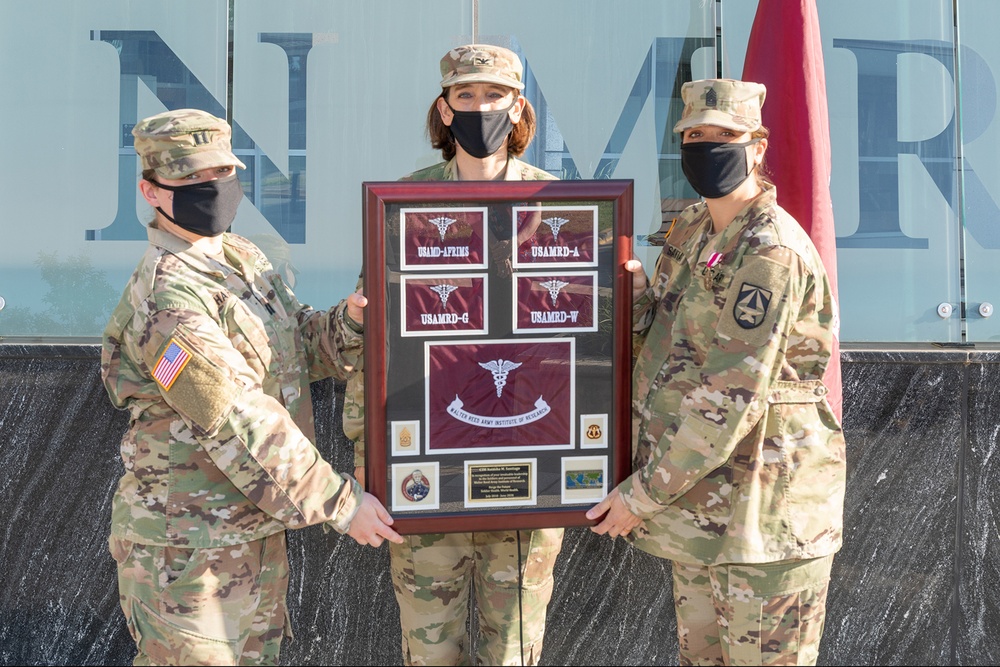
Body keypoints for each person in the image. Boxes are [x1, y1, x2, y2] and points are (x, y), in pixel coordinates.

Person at [101, 108, 402, 666]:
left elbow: (297, 347)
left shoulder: (241, 257)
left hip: (252, 535)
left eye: (221, 172)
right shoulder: (167, 301)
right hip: (187, 554)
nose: (211, 188)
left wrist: (351, 325)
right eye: (190, 179)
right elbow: (237, 418)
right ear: (151, 192)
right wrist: (341, 503)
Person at [587, 79, 846, 666]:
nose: (706, 148)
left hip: (765, 519)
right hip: (703, 515)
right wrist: (633, 295)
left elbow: (733, 391)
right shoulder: (693, 229)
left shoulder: (769, 250)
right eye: (693, 137)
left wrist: (643, 494)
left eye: (722, 136)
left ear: (757, 145)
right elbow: (666, 337)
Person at [342, 44, 563, 666]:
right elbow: (375, 343)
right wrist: (370, 457)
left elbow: (582, 338)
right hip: (426, 469)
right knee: (429, 651)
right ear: (443, 109)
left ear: (518, 106)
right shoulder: (401, 204)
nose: (480, 107)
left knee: (513, 654)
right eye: (464, 96)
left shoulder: (563, 204)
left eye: (494, 95)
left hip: (529, 468)